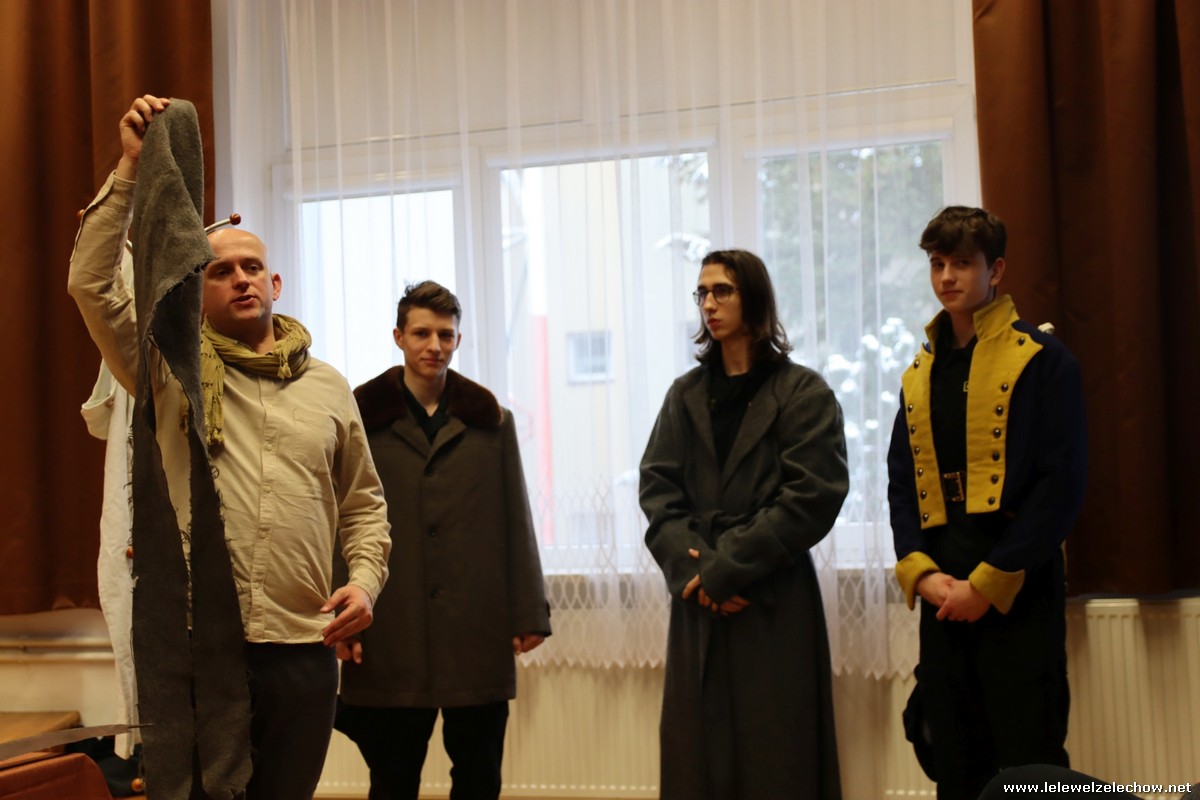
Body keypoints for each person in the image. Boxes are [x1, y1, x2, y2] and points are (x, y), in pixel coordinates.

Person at [67, 94, 392, 800]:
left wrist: (366, 582)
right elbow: (90, 284)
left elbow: (364, 506)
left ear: (275, 283)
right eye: (220, 270)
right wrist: (129, 170)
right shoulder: (165, 370)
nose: (240, 277)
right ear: (196, 287)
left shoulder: (329, 386)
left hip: (303, 647)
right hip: (198, 649)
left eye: (251, 267)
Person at [888, 206, 1088, 800]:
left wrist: (989, 581)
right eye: (937, 264)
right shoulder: (920, 371)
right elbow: (902, 481)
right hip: (943, 590)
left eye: (962, 263)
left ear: (995, 269)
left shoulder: (1044, 361)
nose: (947, 277)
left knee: (1030, 765)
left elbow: (1061, 485)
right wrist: (922, 573)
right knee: (953, 757)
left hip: (1018, 585)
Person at [639, 249, 849, 800]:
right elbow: (658, 490)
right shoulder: (684, 395)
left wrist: (728, 569)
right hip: (698, 597)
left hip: (771, 596)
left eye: (722, 291)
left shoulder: (803, 392)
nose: (708, 304)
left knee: (776, 755)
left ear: (753, 298)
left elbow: (813, 495)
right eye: (702, 293)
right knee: (698, 758)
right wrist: (698, 572)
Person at [333, 280, 551, 800]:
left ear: (458, 339)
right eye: (422, 333)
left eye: (446, 335)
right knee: (392, 778)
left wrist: (529, 613)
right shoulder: (360, 420)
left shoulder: (491, 420)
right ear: (399, 337)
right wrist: (341, 617)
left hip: (475, 631)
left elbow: (516, 519)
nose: (435, 345)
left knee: (479, 776)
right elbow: (342, 520)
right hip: (390, 628)